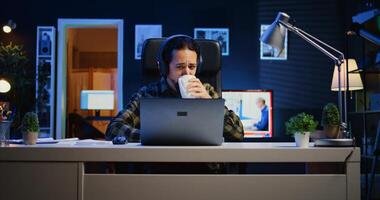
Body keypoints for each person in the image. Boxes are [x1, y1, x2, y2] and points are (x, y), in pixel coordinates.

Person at [105, 35, 244, 142]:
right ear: (165, 68)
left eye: (192, 67)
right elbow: (114, 129)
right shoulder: (148, 94)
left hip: (203, 167)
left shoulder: (206, 91)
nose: (187, 73)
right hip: (160, 168)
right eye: (179, 67)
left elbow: (238, 133)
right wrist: (152, 138)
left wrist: (209, 103)